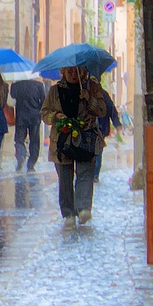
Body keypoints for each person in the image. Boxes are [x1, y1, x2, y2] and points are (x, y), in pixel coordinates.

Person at [40, 66, 106, 228]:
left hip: (85, 138)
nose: (73, 74)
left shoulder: (92, 88)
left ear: (83, 71)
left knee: (85, 173)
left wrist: (90, 99)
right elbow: (44, 113)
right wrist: (56, 116)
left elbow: (102, 111)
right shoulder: (55, 90)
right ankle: (68, 213)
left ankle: (83, 208)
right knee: (65, 177)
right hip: (62, 139)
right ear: (63, 72)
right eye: (68, 71)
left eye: (77, 70)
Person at [10, 75, 46, 173]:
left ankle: (21, 155)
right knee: (34, 140)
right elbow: (44, 100)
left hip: (21, 116)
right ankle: (31, 165)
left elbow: (12, 96)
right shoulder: (39, 85)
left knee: (19, 139)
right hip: (35, 116)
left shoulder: (16, 85)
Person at [94, 82, 123, 183]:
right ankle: (91, 174)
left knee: (97, 152)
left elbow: (111, 109)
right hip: (87, 128)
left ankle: (95, 175)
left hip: (100, 128)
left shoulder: (103, 95)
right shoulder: (83, 93)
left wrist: (117, 123)